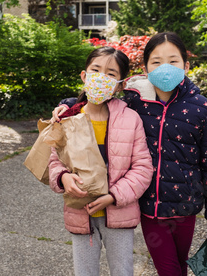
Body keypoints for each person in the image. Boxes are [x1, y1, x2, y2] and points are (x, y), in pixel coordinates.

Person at [53, 32, 207, 276]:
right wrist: (67, 104)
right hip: (151, 207)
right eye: (156, 61)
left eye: (173, 61)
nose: (165, 68)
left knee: (179, 266)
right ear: (145, 67)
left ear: (186, 65)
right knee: (168, 269)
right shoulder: (136, 104)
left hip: (186, 206)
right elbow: (98, 99)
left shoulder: (203, 108)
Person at [48, 46, 154, 276]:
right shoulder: (69, 118)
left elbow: (143, 167)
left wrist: (114, 196)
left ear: (120, 84)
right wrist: (63, 177)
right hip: (80, 213)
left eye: (111, 73)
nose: (101, 77)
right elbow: (54, 161)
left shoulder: (131, 119)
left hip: (119, 213)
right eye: (95, 70)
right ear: (84, 76)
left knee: (122, 270)